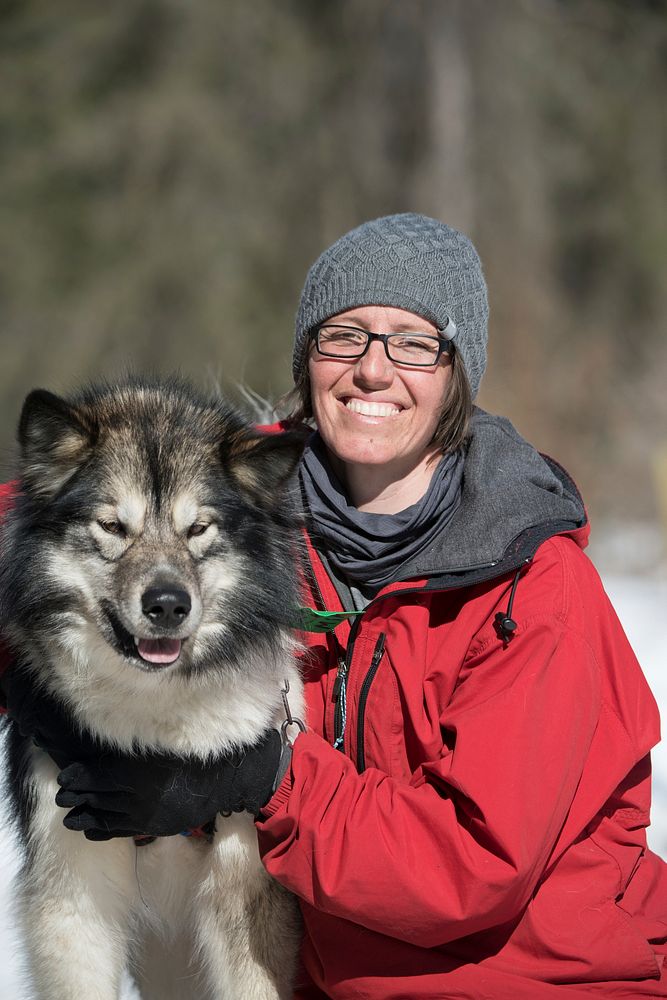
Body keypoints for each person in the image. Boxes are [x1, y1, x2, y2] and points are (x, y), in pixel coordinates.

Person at [5, 213, 667, 998]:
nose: (373, 369)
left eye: (414, 342)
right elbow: (72, 505)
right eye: (343, 336)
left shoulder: (535, 587)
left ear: (458, 373)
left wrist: (264, 780)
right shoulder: (253, 495)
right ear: (308, 361)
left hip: (538, 981)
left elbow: (471, 869)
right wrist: (33, 632)